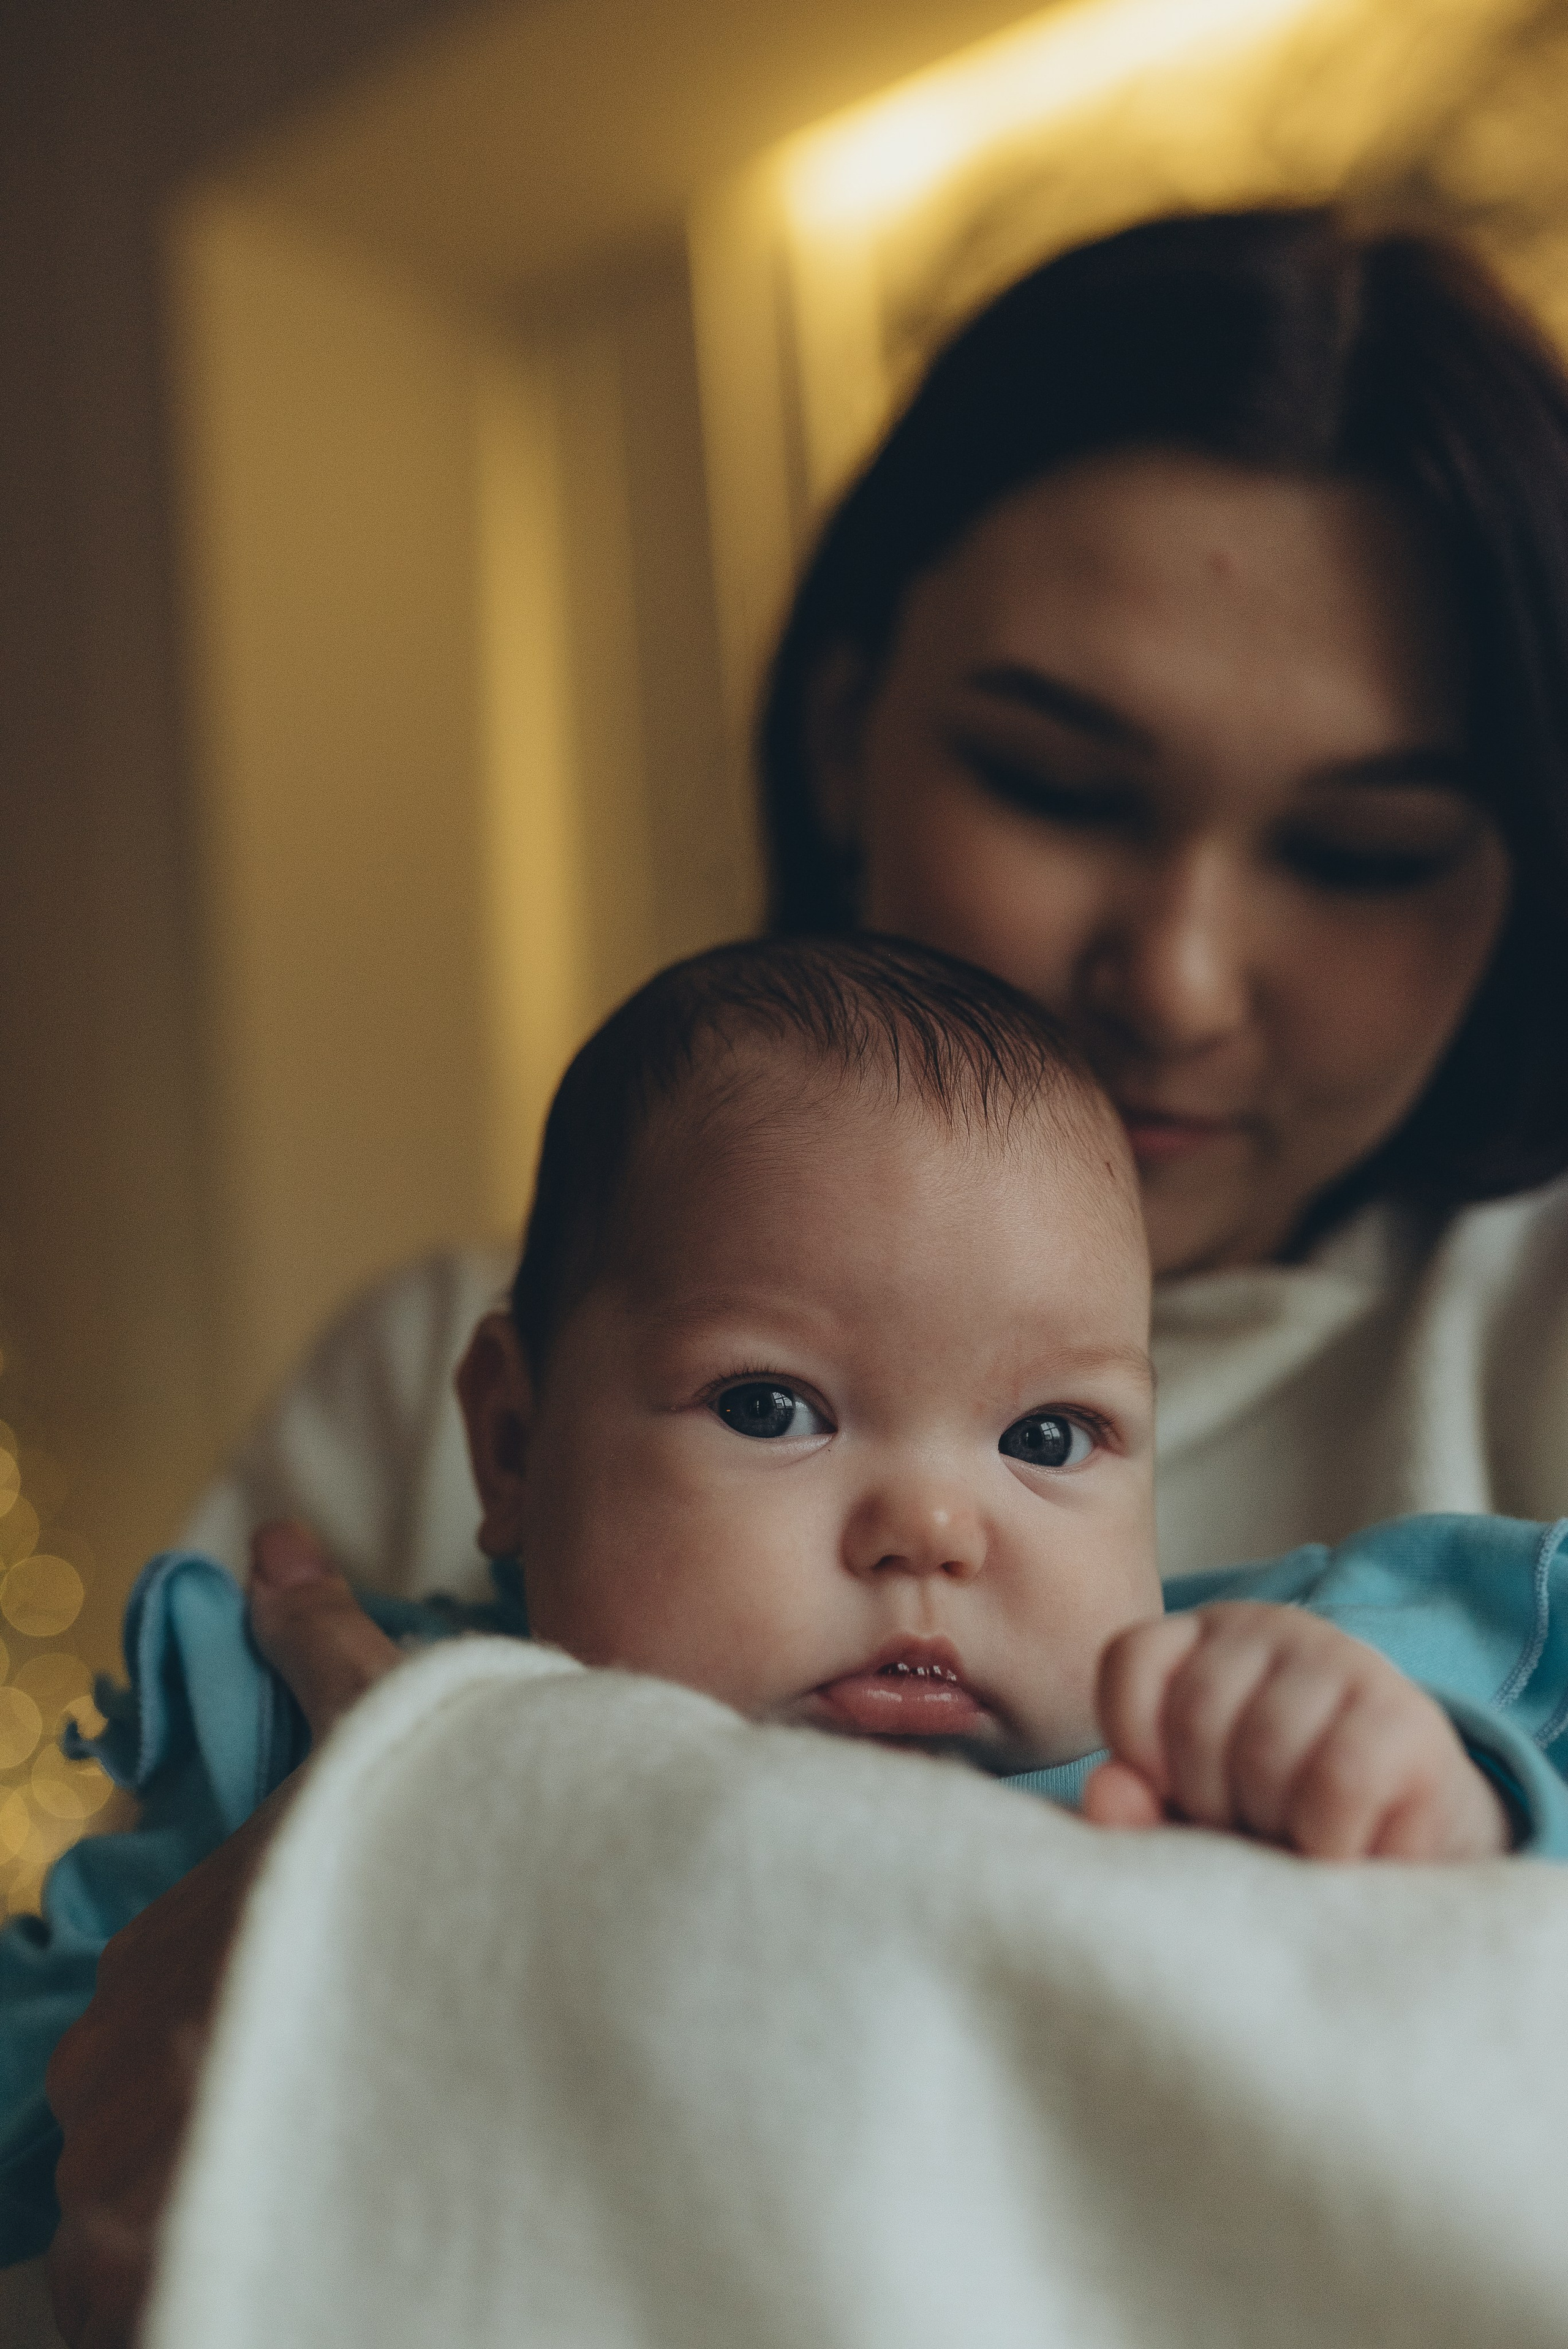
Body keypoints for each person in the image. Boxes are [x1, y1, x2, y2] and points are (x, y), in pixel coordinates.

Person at [41, 203, 1568, 2340]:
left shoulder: (1496, 1411)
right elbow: (101, 2112)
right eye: (1051, 780)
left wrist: (461, 1892)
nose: (1184, 977)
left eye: (1365, 851)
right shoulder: (432, 1373)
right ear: (848, 719)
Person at [21, 935, 1568, 2293]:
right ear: (510, 1438)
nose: (932, 1529)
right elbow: (53, 2098)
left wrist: (1441, 1804)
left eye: (1046, 1437)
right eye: (771, 1405)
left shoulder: (1231, 1702)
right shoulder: (326, 1733)